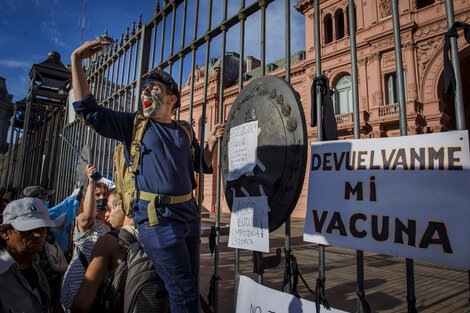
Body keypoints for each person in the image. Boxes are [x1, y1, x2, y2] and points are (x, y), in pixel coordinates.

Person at [71, 40, 225, 313]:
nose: (146, 92)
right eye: (145, 89)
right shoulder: (134, 126)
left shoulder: (184, 131)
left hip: (188, 217)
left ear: (171, 99)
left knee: (185, 285)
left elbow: (202, 164)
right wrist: (77, 60)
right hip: (157, 221)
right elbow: (88, 111)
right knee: (185, 292)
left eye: (154, 89)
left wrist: (211, 142)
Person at [71, 189, 138, 313]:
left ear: (124, 206)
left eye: (109, 209)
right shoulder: (153, 237)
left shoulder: (109, 241)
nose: (106, 214)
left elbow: (81, 305)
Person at [61, 164, 110, 310]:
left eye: (104, 195)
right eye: (97, 195)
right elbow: (88, 216)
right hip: (77, 286)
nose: (102, 198)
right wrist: (91, 182)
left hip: (96, 291)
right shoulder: (84, 222)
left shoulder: (109, 226)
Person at [0, 197, 56, 313]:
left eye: (42, 228)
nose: (37, 235)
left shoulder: (36, 266)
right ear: (5, 233)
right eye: (28, 229)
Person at [22, 185, 67, 313]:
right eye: (44, 198)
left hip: (49, 283)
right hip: (39, 282)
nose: (47, 201)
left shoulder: (46, 218)